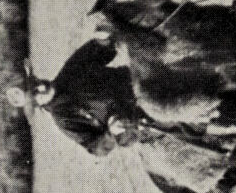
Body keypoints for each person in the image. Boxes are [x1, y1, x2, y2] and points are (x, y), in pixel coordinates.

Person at [7, 38, 142, 156]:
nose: (41, 85)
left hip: (138, 80)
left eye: (34, 82)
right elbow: (95, 147)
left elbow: (99, 48)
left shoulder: (68, 72)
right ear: (37, 102)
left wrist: (104, 39)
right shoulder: (63, 118)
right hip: (132, 119)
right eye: (35, 92)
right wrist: (111, 132)